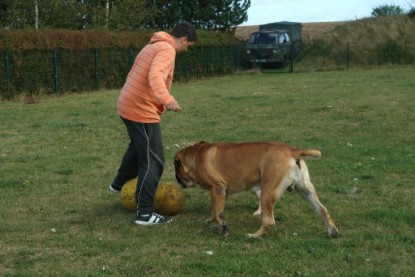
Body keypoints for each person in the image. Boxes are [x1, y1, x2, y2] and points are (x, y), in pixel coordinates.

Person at [109, 22, 197, 225]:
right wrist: (168, 100)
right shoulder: (167, 50)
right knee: (153, 159)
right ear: (184, 40)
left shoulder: (153, 44)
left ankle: (118, 183)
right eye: (189, 45)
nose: (186, 49)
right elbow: (155, 76)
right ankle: (145, 214)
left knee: (138, 147)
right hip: (140, 108)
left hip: (127, 103)